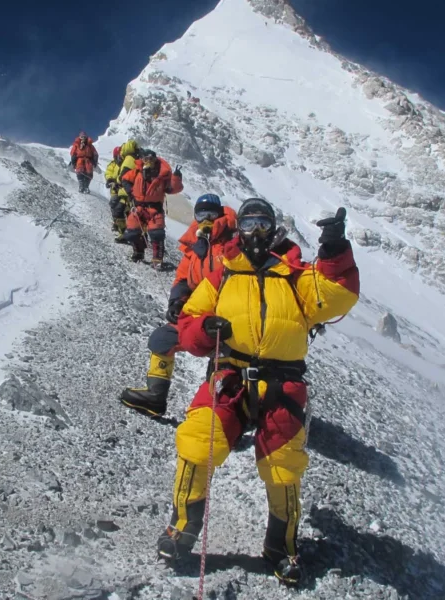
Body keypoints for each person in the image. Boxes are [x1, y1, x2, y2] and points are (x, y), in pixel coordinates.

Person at [156, 199, 359, 586]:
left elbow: (337, 295)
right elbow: (188, 323)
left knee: (283, 467)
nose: (256, 231)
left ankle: (281, 548)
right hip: (229, 375)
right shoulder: (224, 274)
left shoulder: (295, 274)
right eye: (249, 222)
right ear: (239, 228)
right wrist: (204, 329)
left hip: (282, 384)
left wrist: (334, 251)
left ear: (274, 228)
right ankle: (180, 529)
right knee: (198, 444)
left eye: (263, 222)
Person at [119, 194, 236, 416]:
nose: (207, 219)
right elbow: (183, 278)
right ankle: (155, 397)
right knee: (162, 339)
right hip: (198, 317)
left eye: (212, 214)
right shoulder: (194, 247)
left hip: (229, 319)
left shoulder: (234, 242)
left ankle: (224, 414)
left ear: (221, 214)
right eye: (202, 214)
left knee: (223, 362)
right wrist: (176, 302)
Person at [120, 150, 183, 269]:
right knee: (131, 233)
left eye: (151, 159)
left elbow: (172, 189)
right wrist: (130, 192)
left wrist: (176, 178)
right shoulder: (137, 171)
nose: (148, 161)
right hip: (138, 207)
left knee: (157, 234)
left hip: (155, 209)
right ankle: (139, 252)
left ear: (155, 160)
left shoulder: (163, 175)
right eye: (145, 159)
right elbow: (125, 179)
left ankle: (157, 259)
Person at [104, 146, 128, 241]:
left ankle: (126, 228)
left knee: (124, 209)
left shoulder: (126, 164)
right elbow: (108, 173)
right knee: (114, 205)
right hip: (115, 190)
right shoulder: (113, 164)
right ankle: (117, 223)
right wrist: (110, 180)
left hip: (124, 190)